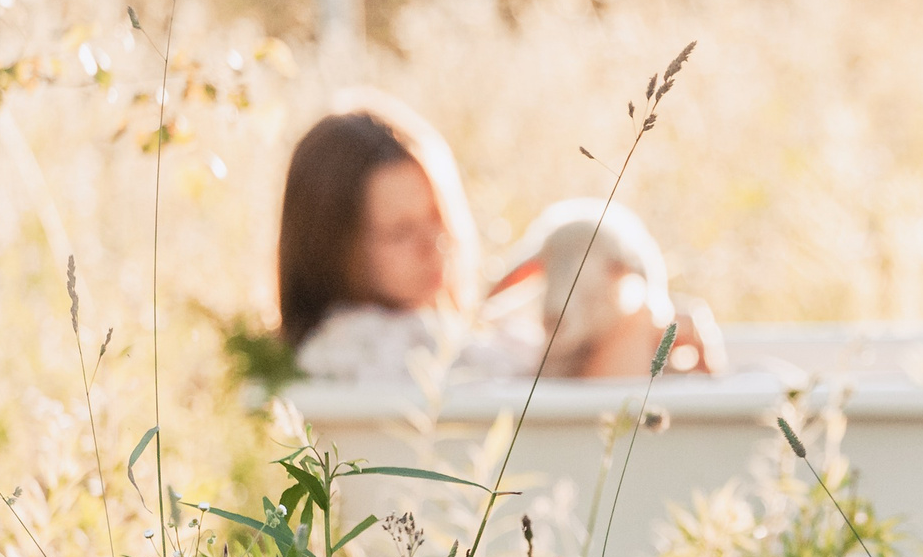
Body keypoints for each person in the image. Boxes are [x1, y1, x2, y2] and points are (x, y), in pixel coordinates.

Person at [277, 94, 714, 382]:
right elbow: (557, 415)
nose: (434, 245)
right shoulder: (355, 347)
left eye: (438, 218)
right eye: (400, 233)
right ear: (330, 249)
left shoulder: (452, 332)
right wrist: (633, 329)